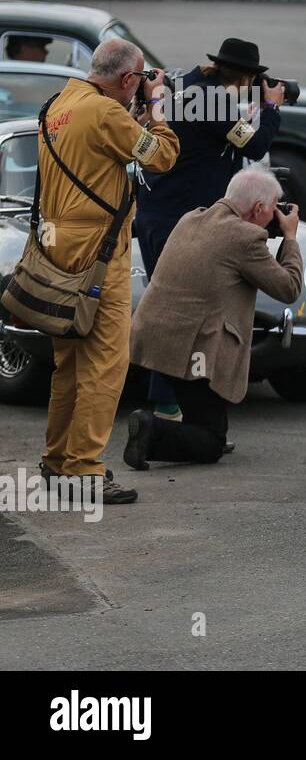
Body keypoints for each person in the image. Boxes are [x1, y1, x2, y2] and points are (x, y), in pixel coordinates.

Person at [37, 38, 179, 504]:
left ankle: (58, 462)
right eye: (139, 80)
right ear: (126, 79)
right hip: (99, 251)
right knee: (106, 363)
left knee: (69, 361)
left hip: (57, 246)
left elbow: (98, 155)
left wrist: (131, 115)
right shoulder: (107, 113)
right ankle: (85, 470)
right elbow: (161, 156)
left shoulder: (59, 104)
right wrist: (157, 108)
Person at [133, 38, 285, 419]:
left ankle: (169, 407)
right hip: (181, 221)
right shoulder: (214, 104)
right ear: (247, 76)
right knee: (183, 315)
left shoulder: (184, 84)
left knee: (169, 309)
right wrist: (272, 107)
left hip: (156, 214)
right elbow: (256, 144)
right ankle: (169, 410)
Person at [125, 169, 303, 470]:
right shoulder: (245, 238)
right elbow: (289, 288)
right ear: (259, 209)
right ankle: (149, 430)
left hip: (155, 335)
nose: (277, 214)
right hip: (192, 348)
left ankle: (163, 431)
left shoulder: (192, 218)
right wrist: (290, 237)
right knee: (212, 442)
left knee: (202, 420)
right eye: (274, 207)